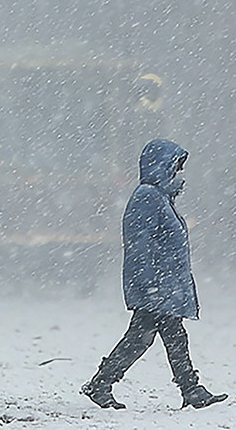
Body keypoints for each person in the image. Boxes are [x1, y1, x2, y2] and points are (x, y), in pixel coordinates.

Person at [82, 138, 227, 410]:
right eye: (176, 166)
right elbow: (140, 244)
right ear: (162, 166)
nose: (180, 172)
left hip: (164, 285)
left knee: (153, 337)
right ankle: (189, 390)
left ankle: (104, 384)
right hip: (156, 286)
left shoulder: (161, 198)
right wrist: (147, 284)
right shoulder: (147, 197)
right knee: (154, 337)